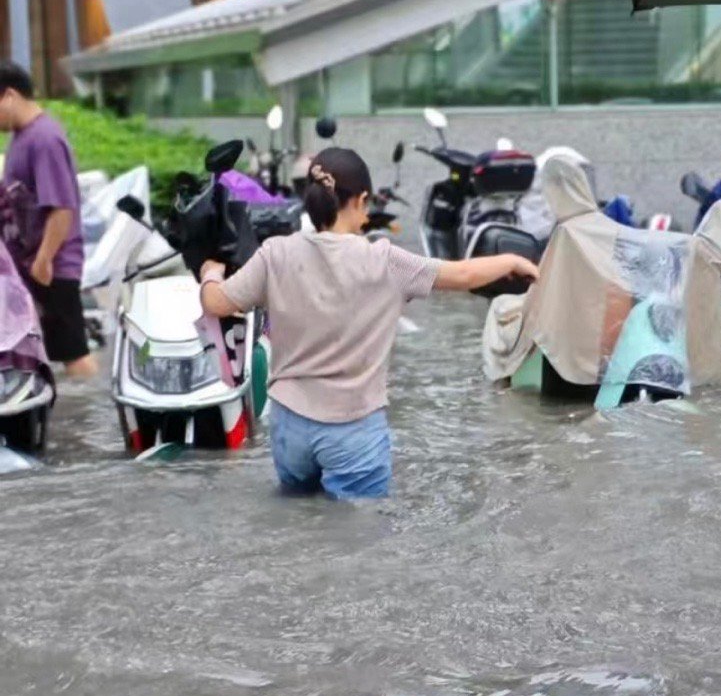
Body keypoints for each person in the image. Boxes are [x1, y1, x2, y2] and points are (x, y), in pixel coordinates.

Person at [199, 146, 539, 500]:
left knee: (298, 514)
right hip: (353, 428)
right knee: (359, 535)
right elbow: (464, 274)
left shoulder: (275, 253)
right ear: (361, 201)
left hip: (290, 427)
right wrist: (512, 259)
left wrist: (210, 273)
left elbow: (217, 303)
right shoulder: (385, 261)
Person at [0, 60, 93, 377]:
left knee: (72, 352)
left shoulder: (45, 138)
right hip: (30, 264)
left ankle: (85, 418)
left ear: (9, 95)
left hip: (52, 266)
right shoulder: (20, 138)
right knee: (43, 348)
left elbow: (62, 207)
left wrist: (43, 260)